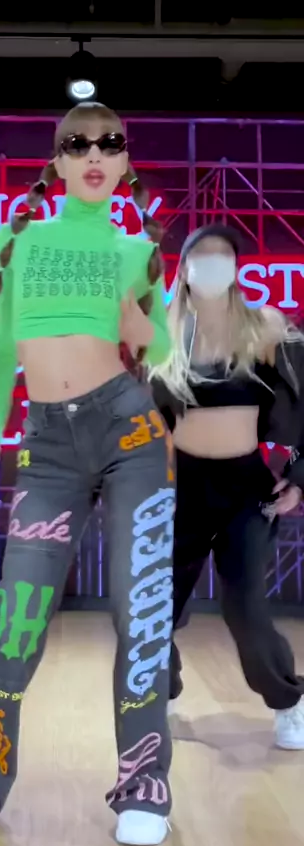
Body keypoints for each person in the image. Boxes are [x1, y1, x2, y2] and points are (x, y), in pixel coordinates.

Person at [0, 101, 175, 846]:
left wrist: (141, 328)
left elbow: (166, 352)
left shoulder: (137, 250)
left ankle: (143, 785)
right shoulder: (18, 239)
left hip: (131, 432)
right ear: (59, 161)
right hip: (46, 444)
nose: (94, 154)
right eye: (78, 144)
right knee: (16, 616)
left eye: (110, 143)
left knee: (140, 616)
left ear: (125, 161)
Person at [150, 222, 304, 748]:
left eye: (223, 255)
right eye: (202, 255)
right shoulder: (164, 332)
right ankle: (160, 694)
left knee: (246, 610)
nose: (212, 264)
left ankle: (288, 700)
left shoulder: (263, 327)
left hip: (245, 490)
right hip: (181, 489)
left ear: (237, 268)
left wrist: (299, 478)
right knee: (155, 608)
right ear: (184, 269)